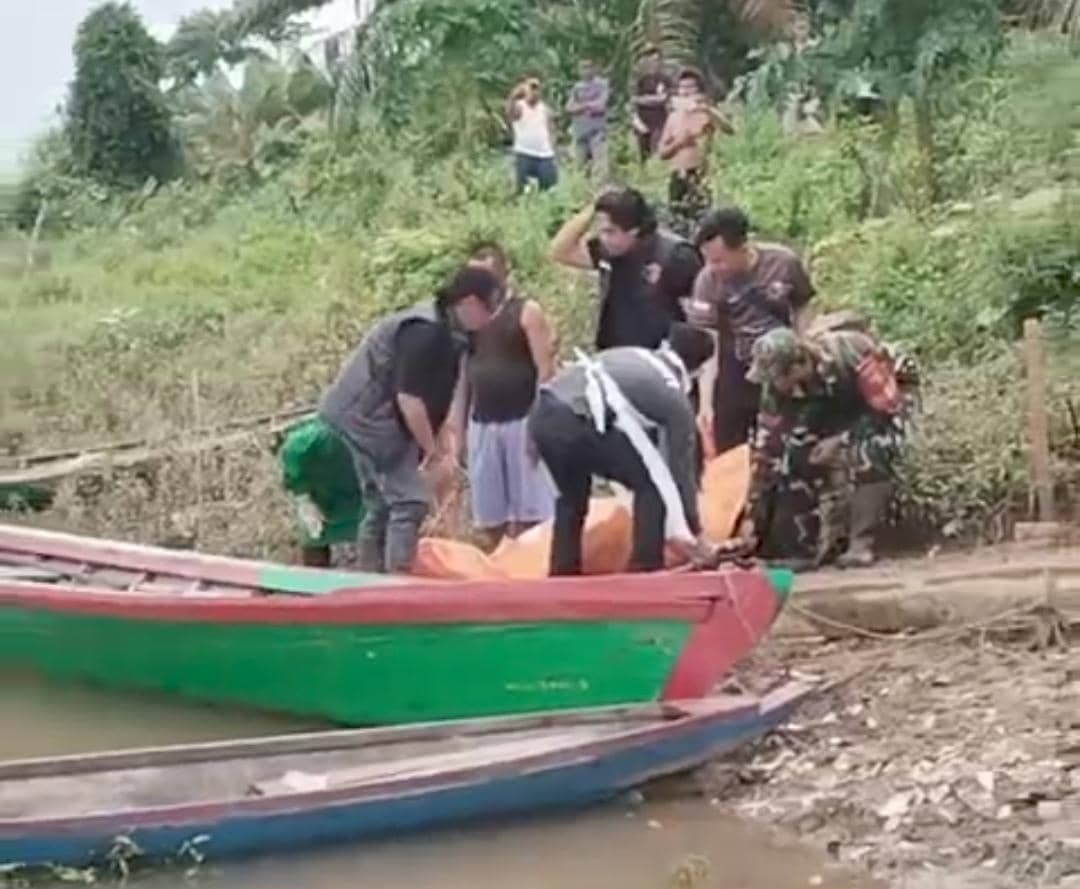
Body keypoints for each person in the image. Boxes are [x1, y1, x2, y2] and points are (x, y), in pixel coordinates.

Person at [319, 266, 501, 573]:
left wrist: (444, 438)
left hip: (375, 418)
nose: (492, 318)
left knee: (381, 502)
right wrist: (430, 450)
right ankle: (399, 580)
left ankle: (370, 578)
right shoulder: (425, 332)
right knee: (410, 500)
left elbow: (440, 396)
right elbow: (410, 399)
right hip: (367, 419)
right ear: (469, 302)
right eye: (490, 308)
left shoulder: (453, 334)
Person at [528, 323, 717, 576]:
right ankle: (645, 568)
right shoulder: (673, 398)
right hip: (577, 418)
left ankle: (563, 573)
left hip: (543, 415)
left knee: (571, 498)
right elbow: (679, 470)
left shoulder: (631, 356)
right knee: (652, 484)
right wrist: (695, 530)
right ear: (696, 370)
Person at [740, 325, 919, 570]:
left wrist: (840, 440)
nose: (773, 385)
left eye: (778, 377)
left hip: (883, 407)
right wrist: (754, 518)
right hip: (832, 409)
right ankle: (804, 545)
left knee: (868, 449)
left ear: (798, 366)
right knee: (794, 453)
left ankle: (861, 543)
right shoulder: (776, 389)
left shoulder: (852, 352)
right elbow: (767, 450)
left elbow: (887, 408)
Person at [689, 207, 815, 456]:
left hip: (780, 367)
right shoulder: (707, 281)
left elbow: (803, 305)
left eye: (719, 260)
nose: (712, 267)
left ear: (743, 246)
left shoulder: (783, 263)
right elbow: (708, 345)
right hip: (734, 371)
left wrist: (805, 346)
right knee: (729, 449)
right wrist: (705, 402)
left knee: (783, 443)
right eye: (707, 260)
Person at [461, 242, 558, 548]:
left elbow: (546, 371)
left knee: (533, 511)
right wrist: (456, 427)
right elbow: (462, 374)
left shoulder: (526, 312)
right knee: (489, 516)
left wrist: (541, 425)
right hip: (483, 421)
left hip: (522, 419)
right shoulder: (470, 319)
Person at [549, 187, 702, 352]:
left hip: (660, 359)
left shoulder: (675, 256)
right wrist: (594, 208)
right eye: (601, 231)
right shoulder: (606, 252)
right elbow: (560, 251)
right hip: (615, 355)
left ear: (634, 230)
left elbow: (700, 317)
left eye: (610, 232)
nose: (604, 239)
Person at [279, 416, 366, 568]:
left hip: (365, 492)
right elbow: (294, 448)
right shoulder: (315, 437)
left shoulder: (384, 431)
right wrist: (303, 498)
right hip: (325, 494)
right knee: (315, 534)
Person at [658, 68, 733, 237]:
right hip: (677, 174)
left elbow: (729, 129)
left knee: (703, 223)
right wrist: (680, 142)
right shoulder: (673, 118)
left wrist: (707, 109)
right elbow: (662, 152)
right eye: (682, 87)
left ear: (699, 90)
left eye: (691, 87)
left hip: (700, 173)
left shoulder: (706, 114)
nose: (686, 91)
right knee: (677, 222)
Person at [507, 77, 558, 193]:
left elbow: (552, 129)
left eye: (536, 89)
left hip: (544, 154)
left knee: (549, 189)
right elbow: (510, 115)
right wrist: (512, 97)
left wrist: (553, 148)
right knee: (523, 189)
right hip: (524, 153)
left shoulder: (545, 109)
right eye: (531, 89)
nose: (534, 92)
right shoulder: (519, 106)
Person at [566, 58, 610, 180]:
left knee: (600, 170)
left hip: (597, 132)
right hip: (580, 132)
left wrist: (582, 106)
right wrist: (589, 106)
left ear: (594, 68)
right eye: (582, 68)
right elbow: (569, 107)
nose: (585, 71)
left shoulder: (602, 84)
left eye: (588, 67)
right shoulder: (576, 87)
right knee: (580, 170)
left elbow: (601, 105)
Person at [631, 46, 672, 162]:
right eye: (652, 60)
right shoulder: (640, 80)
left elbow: (664, 98)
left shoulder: (665, 79)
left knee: (657, 152)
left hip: (660, 121)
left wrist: (644, 100)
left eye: (657, 60)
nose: (655, 63)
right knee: (643, 155)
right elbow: (633, 100)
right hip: (642, 121)